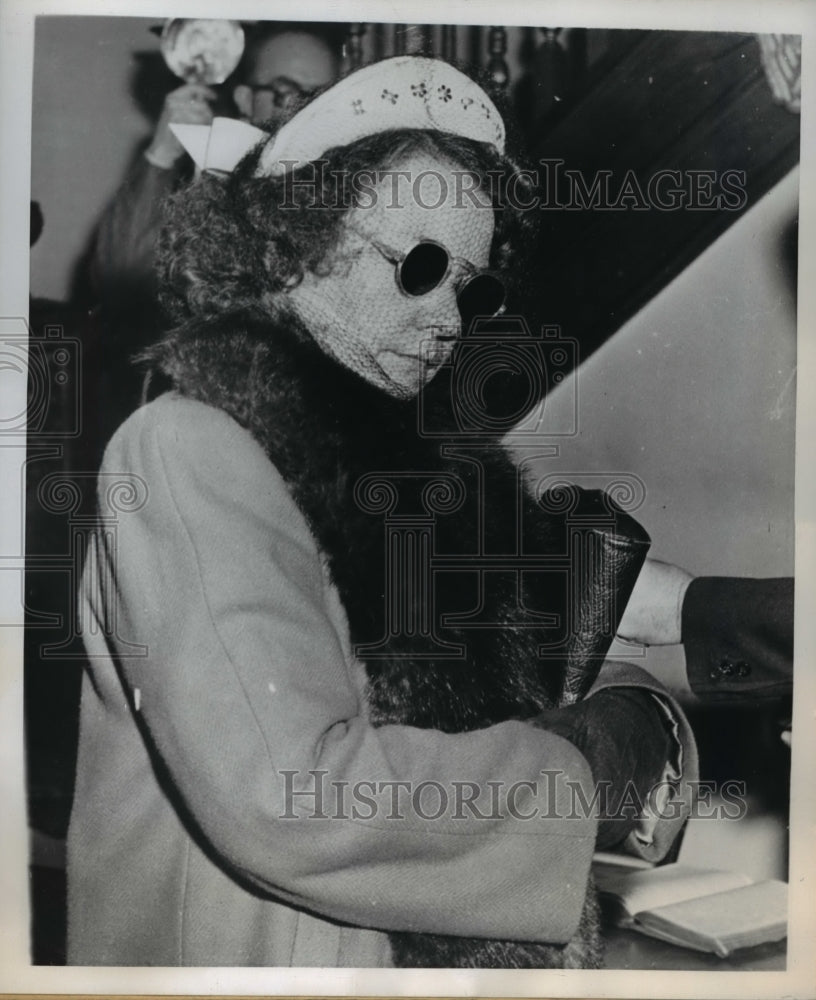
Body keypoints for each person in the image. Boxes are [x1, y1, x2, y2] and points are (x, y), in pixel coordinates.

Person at [67, 56, 719, 969]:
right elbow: (298, 797)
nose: (451, 319)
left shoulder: (416, 472)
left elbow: (582, 633)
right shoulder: (191, 450)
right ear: (297, 239)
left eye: (471, 286)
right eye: (418, 267)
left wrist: (645, 706)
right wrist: (584, 771)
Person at [89, 23, 342, 321]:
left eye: (321, 99)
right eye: (285, 92)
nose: (304, 114)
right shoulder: (206, 175)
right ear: (245, 100)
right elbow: (117, 277)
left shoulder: (344, 184)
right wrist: (163, 151)